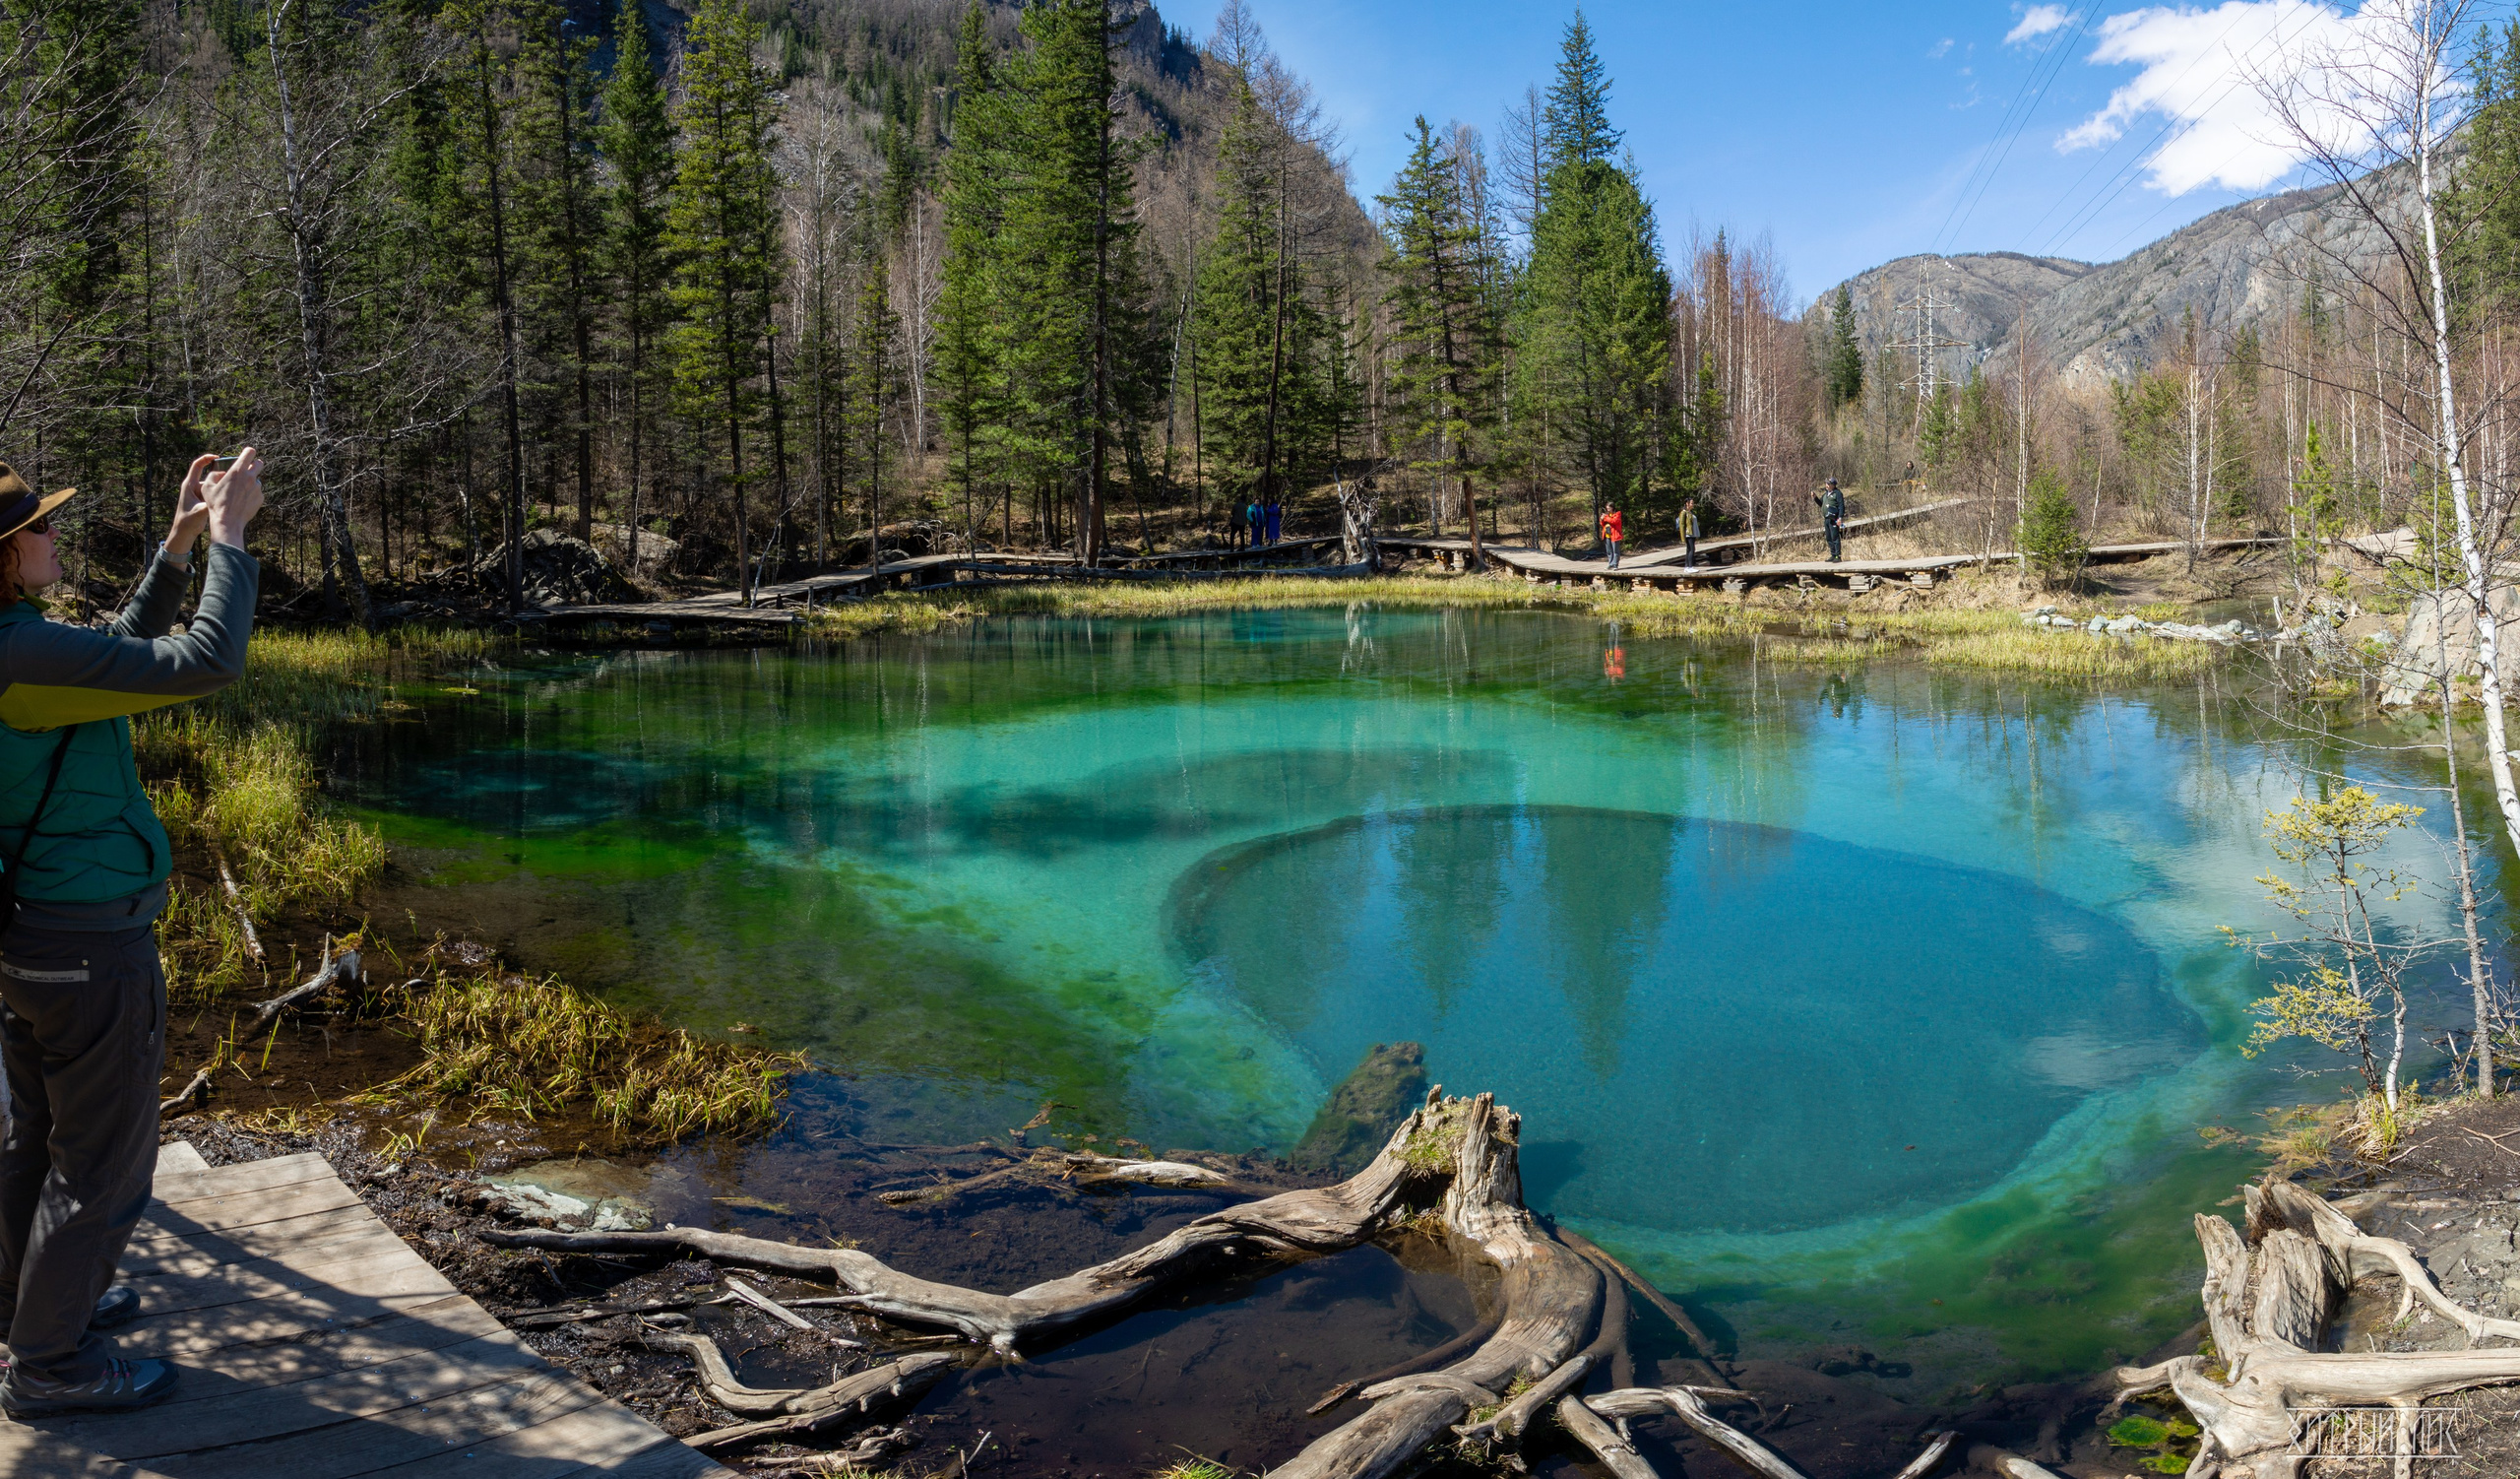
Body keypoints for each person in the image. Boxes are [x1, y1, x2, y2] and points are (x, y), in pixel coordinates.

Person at [0, 448, 264, 1418]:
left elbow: (108, 646)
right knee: (103, 1162)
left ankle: (30, 1307)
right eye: (38, 525)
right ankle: (49, 1363)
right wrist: (232, 538)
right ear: (2, 552)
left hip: (30, 937)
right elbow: (211, 660)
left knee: (36, 1137)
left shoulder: (18, 646)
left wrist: (179, 542)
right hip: (84, 943)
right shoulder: (18, 653)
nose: (53, 533)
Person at [1815, 478, 1846, 562]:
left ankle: (1837, 556)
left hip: (1834, 518)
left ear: (1833, 485)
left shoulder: (1837, 493)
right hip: (1827, 519)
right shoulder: (1825, 495)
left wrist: (1840, 517)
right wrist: (1815, 498)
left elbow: (1841, 506)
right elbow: (1821, 504)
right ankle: (1833, 555)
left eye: (1828, 484)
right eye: (1826, 484)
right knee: (1829, 537)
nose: (1826, 485)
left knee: (1835, 537)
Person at [1599, 502, 1623, 569]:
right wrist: (1602, 518)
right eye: (1607, 508)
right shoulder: (1607, 515)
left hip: (1615, 535)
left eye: (1609, 508)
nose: (1608, 509)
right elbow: (1602, 523)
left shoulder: (1617, 514)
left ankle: (1615, 564)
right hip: (1607, 535)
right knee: (1609, 551)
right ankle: (1610, 564)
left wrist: (1605, 518)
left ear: (1612, 507)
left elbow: (1614, 521)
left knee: (1616, 551)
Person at [1678, 498, 1700, 569]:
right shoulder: (1684, 513)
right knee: (1691, 550)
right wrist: (1683, 537)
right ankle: (1690, 567)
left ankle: (1687, 567)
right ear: (1687, 504)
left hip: (1693, 534)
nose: (1693, 505)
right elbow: (1682, 525)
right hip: (1689, 534)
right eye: (1692, 503)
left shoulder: (1690, 513)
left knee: (1690, 550)